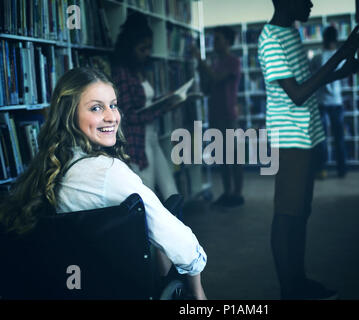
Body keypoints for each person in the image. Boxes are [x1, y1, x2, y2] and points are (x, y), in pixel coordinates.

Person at [0, 67, 207, 300]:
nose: (112, 116)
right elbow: (182, 245)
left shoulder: (42, 171)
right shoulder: (108, 173)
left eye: (113, 105)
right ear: (70, 115)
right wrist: (198, 291)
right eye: (96, 108)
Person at [258, 0, 359, 299]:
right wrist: (341, 53)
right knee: (287, 214)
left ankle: (298, 282)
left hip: (308, 134)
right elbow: (299, 95)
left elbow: (305, 82)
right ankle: (289, 291)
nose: (311, 2)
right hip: (290, 140)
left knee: (300, 212)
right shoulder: (271, 39)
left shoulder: (290, 33)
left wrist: (344, 70)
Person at [111, 12, 179, 202]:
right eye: (143, 49)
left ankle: (176, 228)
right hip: (137, 142)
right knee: (147, 191)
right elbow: (127, 115)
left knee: (170, 188)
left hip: (153, 137)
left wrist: (164, 99)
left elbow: (145, 102)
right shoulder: (122, 74)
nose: (147, 53)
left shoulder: (138, 70)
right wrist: (162, 108)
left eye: (149, 48)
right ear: (130, 48)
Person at [194, 27, 244, 208]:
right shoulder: (214, 63)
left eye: (217, 39)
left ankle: (237, 194)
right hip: (215, 114)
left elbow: (216, 78)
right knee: (223, 157)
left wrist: (200, 60)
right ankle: (227, 192)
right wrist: (201, 67)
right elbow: (207, 88)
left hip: (229, 115)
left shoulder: (234, 62)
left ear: (228, 42)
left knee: (235, 157)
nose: (213, 43)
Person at [310, 25, 348, 179]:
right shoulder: (341, 56)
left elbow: (311, 76)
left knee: (321, 140)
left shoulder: (317, 57)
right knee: (339, 138)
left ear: (324, 38)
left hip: (322, 103)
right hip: (337, 102)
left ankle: (322, 170)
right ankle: (342, 169)